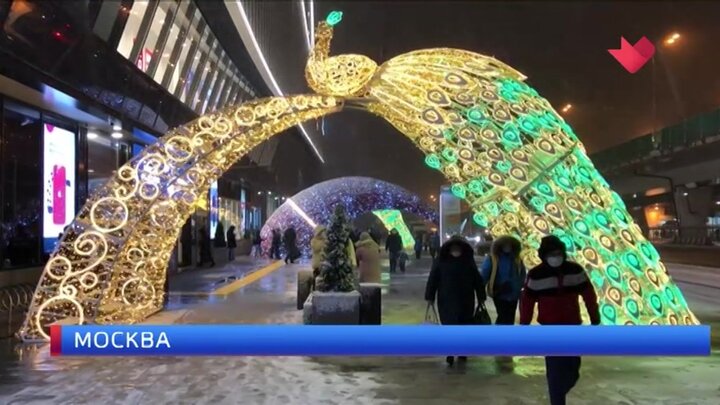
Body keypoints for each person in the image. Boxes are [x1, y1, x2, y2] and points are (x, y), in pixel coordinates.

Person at [520, 235, 600, 405]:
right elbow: (527, 302)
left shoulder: (574, 271)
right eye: (551, 254)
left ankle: (560, 391)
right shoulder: (536, 275)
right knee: (555, 369)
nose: (555, 257)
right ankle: (557, 400)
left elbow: (589, 295)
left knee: (573, 368)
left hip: (572, 326)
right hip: (550, 329)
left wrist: (595, 317)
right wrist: (524, 325)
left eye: (558, 254)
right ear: (544, 256)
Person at [425, 236, 486, 366]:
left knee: (464, 326)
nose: (456, 250)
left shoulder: (468, 261)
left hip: (465, 300)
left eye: (458, 247)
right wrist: (430, 296)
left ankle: (462, 351)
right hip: (447, 300)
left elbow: (477, 279)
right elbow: (433, 279)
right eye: (454, 247)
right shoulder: (441, 261)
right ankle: (451, 352)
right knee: (449, 326)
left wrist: (481, 296)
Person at [480, 235, 526, 325]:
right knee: (503, 316)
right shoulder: (493, 258)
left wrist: (519, 287)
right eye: (505, 245)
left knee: (509, 317)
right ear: (500, 246)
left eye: (509, 245)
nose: (507, 247)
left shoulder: (517, 260)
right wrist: (480, 290)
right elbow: (485, 274)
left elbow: (522, 275)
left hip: (514, 294)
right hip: (499, 293)